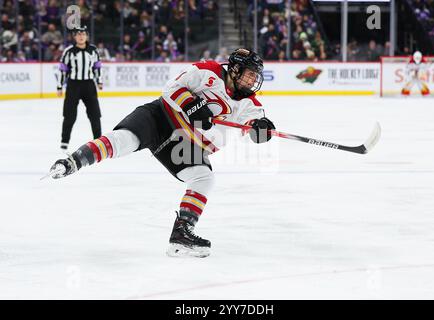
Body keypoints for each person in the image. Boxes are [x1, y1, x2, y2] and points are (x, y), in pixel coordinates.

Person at [46, 48, 276, 258]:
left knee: (204, 178)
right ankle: (72, 162)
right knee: (123, 140)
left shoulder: (250, 104)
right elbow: (172, 88)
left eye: (256, 76)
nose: (253, 80)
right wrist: (192, 106)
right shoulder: (208, 71)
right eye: (249, 74)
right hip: (159, 117)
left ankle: (181, 235)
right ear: (234, 70)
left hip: (183, 143)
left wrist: (261, 129)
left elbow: (254, 126)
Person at [56, 26, 103, 151]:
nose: (81, 36)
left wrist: (99, 81)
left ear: (87, 36)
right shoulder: (69, 51)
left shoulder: (93, 50)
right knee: (69, 115)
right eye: (78, 34)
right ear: (74, 37)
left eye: (83, 34)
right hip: (73, 85)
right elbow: (63, 69)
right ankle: (64, 142)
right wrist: (59, 86)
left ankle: (98, 141)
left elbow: (97, 67)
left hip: (89, 85)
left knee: (95, 114)